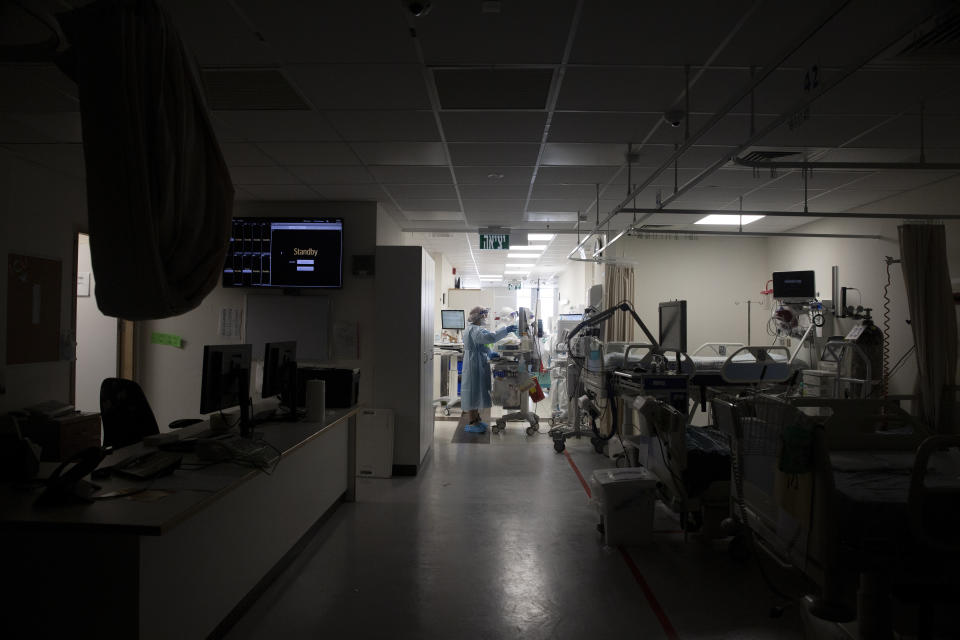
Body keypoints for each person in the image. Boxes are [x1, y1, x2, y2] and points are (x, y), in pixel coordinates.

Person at [461, 306, 517, 433]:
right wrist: (505, 330)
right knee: (472, 393)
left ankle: (477, 420)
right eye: (484, 315)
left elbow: (484, 344)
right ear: (478, 317)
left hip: (478, 360)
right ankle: (472, 422)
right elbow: (490, 338)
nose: (486, 317)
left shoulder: (477, 329)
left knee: (477, 391)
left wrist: (490, 352)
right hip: (472, 363)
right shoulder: (474, 330)